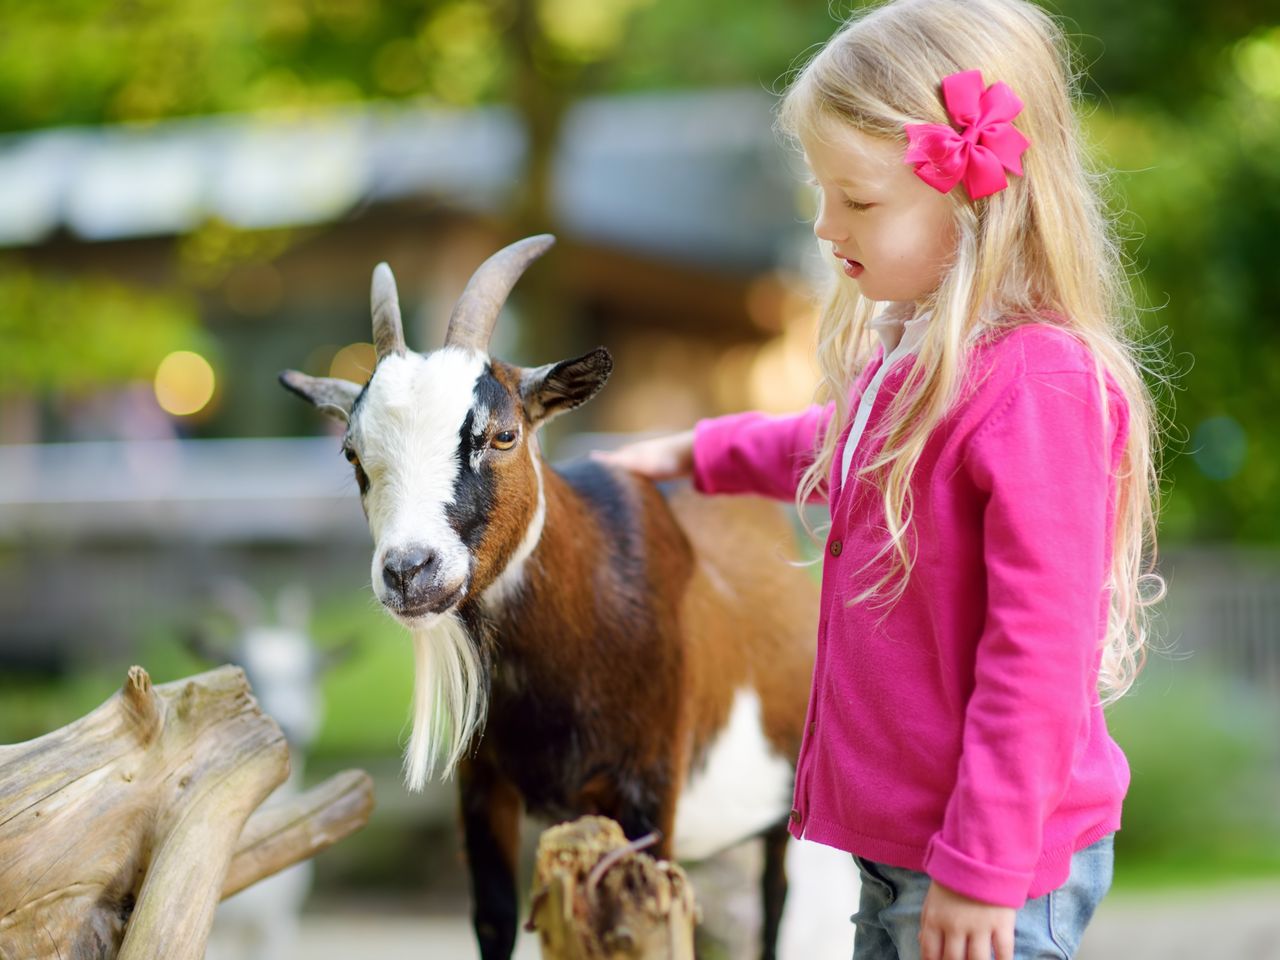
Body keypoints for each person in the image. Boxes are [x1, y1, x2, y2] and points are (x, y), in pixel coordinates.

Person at [592, 0, 1168, 957]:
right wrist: (701, 454)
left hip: (988, 867)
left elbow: (1039, 654)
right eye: (821, 194)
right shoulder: (922, 372)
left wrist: (983, 870)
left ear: (977, 194)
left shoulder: (1037, 386)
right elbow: (838, 447)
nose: (825, 225)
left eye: (858, 200)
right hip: (907, 852)